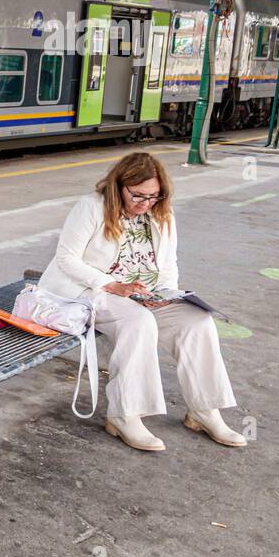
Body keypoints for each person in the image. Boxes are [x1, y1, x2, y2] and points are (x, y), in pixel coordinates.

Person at [38, 152, 245, 452]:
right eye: (137, 195)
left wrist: (165, 294)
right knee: (137, 321)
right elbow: (66, 258)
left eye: (153, 197)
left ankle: (204, 409)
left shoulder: (162, 213)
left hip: (144, 295)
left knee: (197, 321)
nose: (144, 204)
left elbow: (168, 262)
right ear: (118, 185)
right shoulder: (92, 207)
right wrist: (110, 284)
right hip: (90, 291)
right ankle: (125, 414)